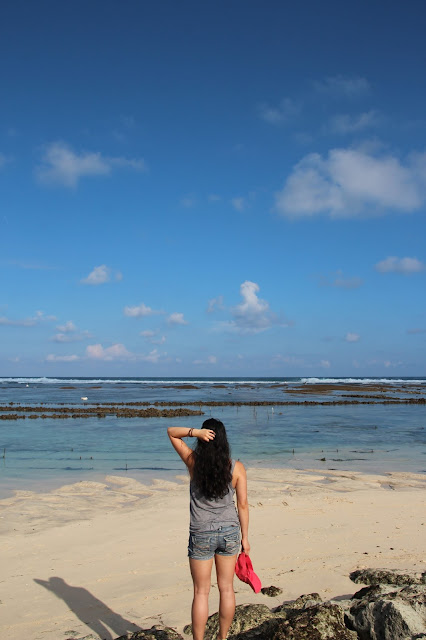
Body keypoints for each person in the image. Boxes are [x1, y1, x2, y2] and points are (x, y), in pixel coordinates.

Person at [167, 418, 250, 640]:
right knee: (226, 589)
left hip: (201, 532)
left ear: (205, 438)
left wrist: (195, 433)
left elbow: (172, 432)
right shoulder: (236, 467)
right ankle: (222, 638)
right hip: (230, 532)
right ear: (224, 441)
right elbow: (242, 504)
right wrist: (246, 538)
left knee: (201, 592)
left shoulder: (193, 461)